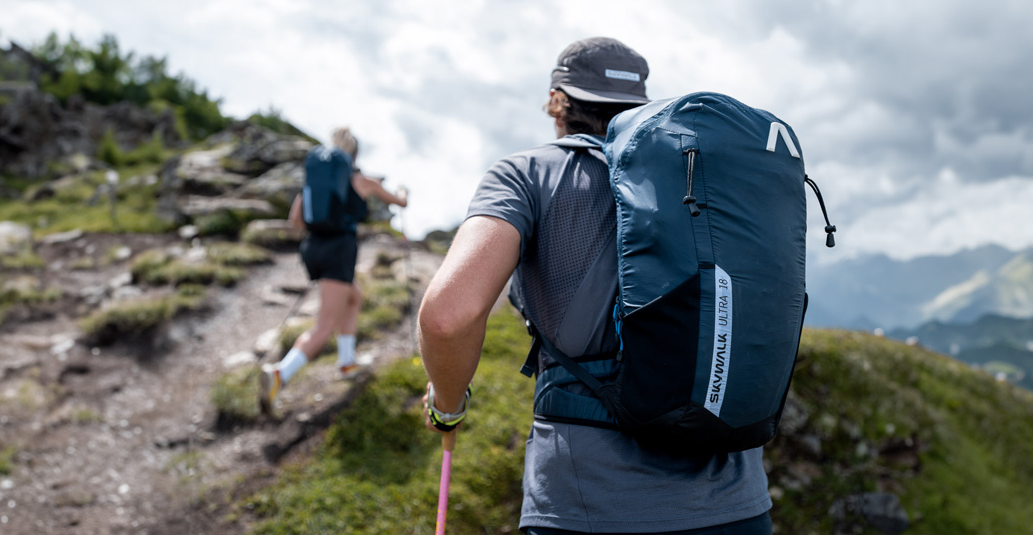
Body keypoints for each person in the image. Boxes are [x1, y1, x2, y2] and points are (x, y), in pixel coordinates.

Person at [418, 38, 773, 534]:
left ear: (558, 102)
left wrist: (447, 407)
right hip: (737, 504)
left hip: (588, 508)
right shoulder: (703, 178)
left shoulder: (528, 174)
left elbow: (446, 317)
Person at [260, 127, 408, 409]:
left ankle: (347, 362)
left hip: (313, 249)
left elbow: (296, 220)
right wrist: (402, 193)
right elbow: (399, 202)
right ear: (353, 155)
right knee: (324, 326)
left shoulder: (316, 183)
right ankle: (280, 374)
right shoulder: (361, 180)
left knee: (353, 297)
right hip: (339, 252)